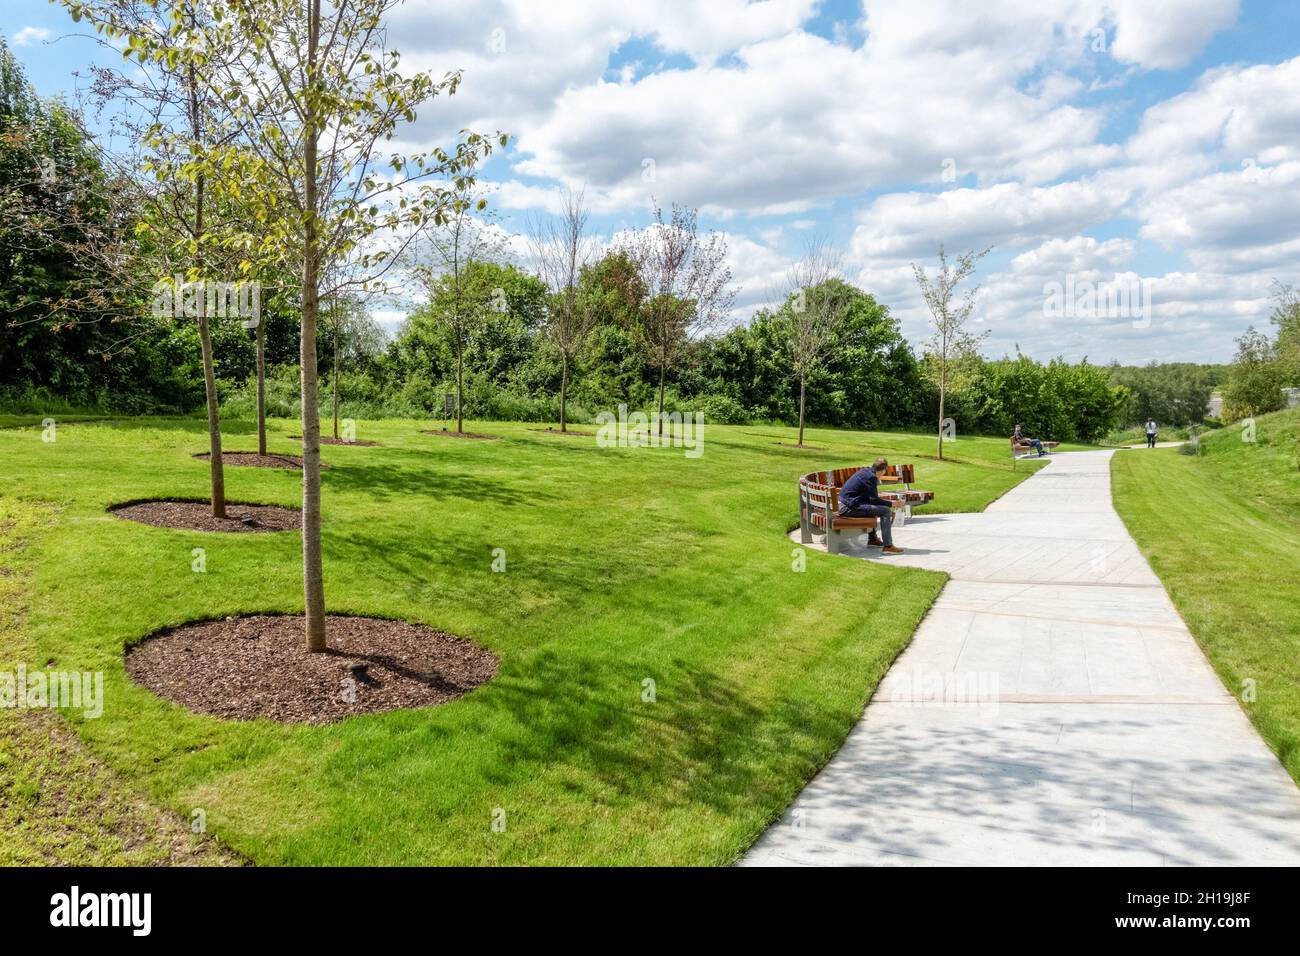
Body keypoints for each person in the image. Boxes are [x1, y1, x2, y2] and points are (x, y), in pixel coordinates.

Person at [838, 457, 903, 554]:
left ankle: (872, 539)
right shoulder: (871, 477)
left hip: (845, 505)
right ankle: (888, 546)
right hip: (847, 508)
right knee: (885, 511)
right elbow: (874, 500)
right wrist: (893, 503)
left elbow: (871, 499)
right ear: (883, 470)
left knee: (873, 508)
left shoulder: (865, 471)